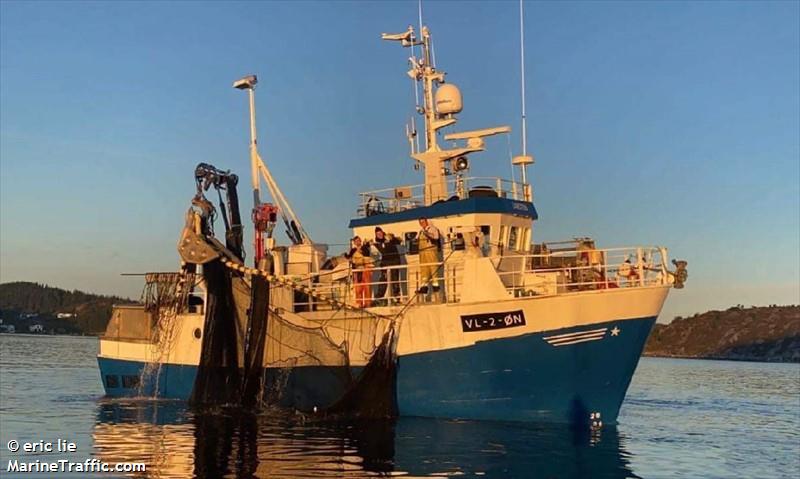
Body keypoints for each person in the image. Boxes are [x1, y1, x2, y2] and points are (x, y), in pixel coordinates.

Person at [373, 227, 403, 304]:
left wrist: (392, 238)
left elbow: (399, 241)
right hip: (385, 263)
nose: (379, 235)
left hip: (394, 261)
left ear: (383, 233)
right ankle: (379, 297)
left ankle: (397, 297)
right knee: (383, 279)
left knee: (395, 279)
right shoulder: (377, 243)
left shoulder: (389, 239)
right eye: (377, 234)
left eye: (380, 233)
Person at [345, 236, 374, 307]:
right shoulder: (353, 250)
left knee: (367, 287)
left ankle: (368, 303)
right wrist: (347, 255)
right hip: (357, 271)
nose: (357, 242)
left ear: (360, 241)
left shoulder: (364, 248)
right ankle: (359, 303)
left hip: (365, 269)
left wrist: (362, 251)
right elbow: (349, 257)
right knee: (358, 288)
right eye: (356, 241)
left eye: (358, 240)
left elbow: (368, 255)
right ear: (354, 242)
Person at [417, 217, 442, 295]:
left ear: (426, 222)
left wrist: (427, 234)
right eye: (420, 222)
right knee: (424, 269)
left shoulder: (433, 229)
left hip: (431, 252)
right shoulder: (420, 231)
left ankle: (436, 286)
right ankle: (424, 287)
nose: (422, 224)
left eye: (423, 222)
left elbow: (436, 237)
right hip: (422, 253)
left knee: (433, 267)